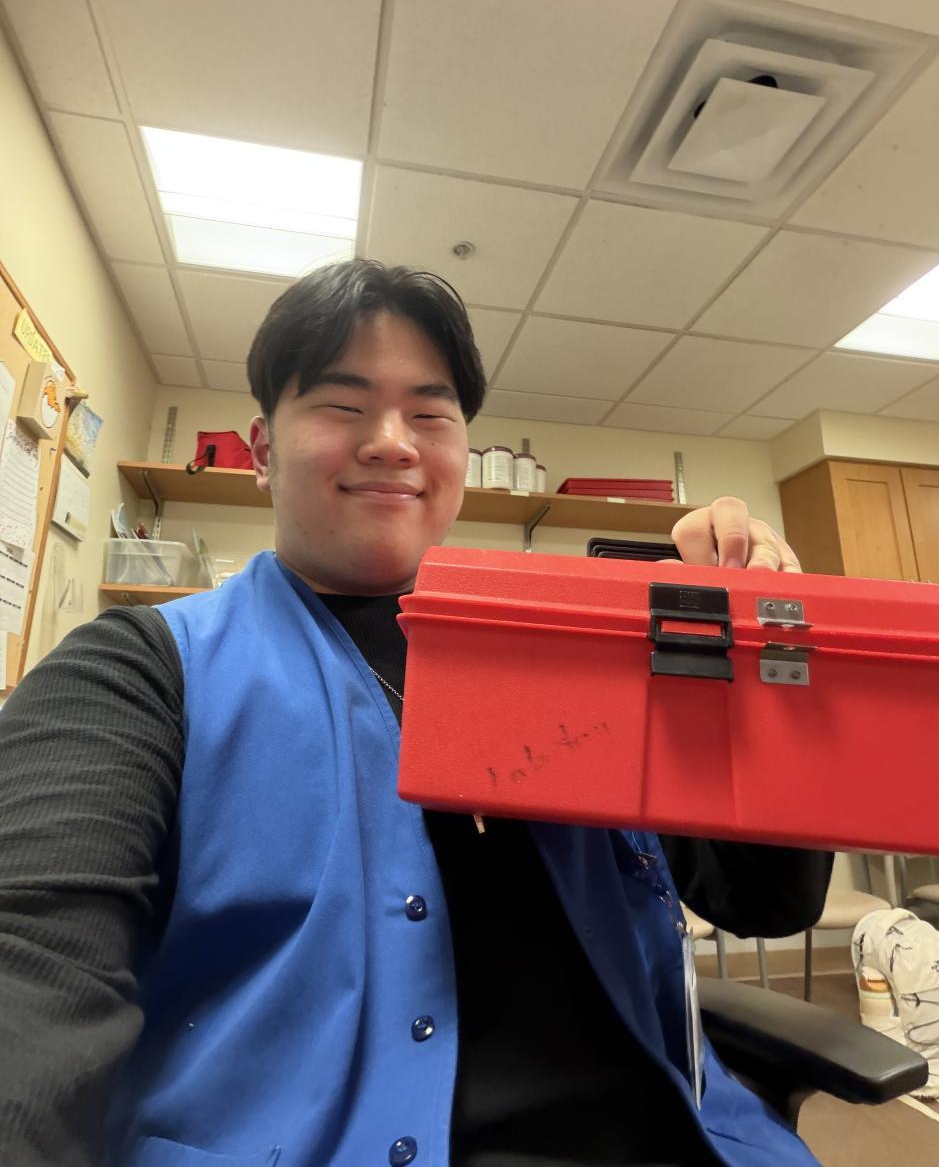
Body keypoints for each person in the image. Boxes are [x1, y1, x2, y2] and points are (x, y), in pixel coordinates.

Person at [0, 260, 831, 1167]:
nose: (392, 443)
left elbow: (764, 899)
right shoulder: (138, 674)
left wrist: (752, 656)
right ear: (263, 449)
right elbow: (30, 975)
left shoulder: (576, 653)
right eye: (343, 405)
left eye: (430, 415)